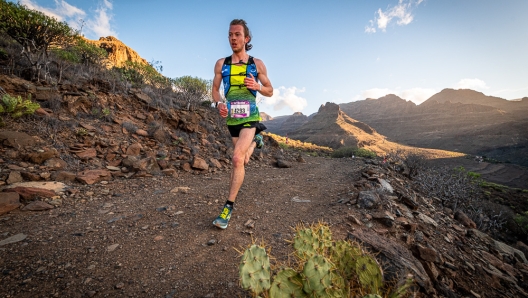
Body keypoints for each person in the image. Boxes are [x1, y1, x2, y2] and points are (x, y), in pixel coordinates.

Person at [211, 19, 273, 229]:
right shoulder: (222, 64)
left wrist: (257, 85)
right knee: (244, 160)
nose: (233, 38)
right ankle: (256, 141)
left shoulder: (257, 64)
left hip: (250, 117)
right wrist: (219, 103)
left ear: (246, 39)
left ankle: (227, 208)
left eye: (237, 34)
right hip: (232, 119)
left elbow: (270, 90)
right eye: (230, 34)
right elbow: (215, 90)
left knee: (236, 158)